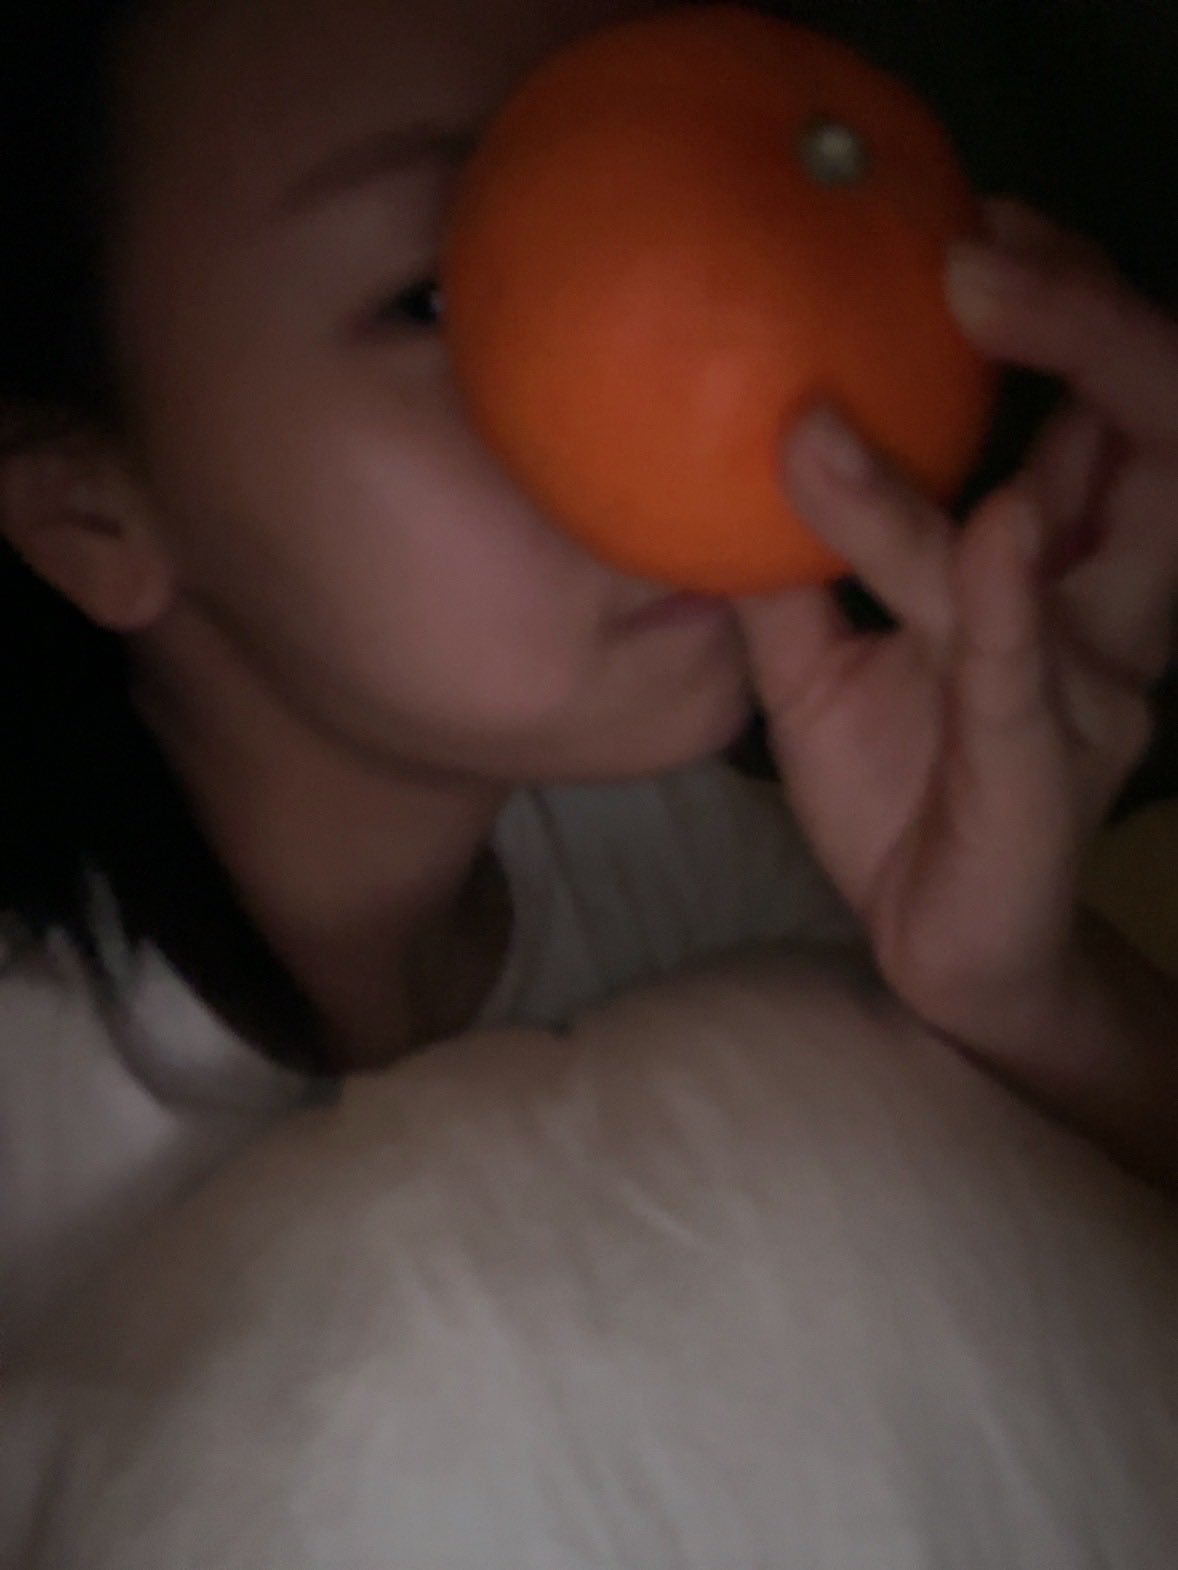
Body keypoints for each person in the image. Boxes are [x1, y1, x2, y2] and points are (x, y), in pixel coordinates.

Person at [0, 0, 1174, 1352]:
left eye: (641, 204)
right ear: (92, 514)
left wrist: (1014, 991)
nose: (683, 384)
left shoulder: (691, 860)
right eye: (436, 296)